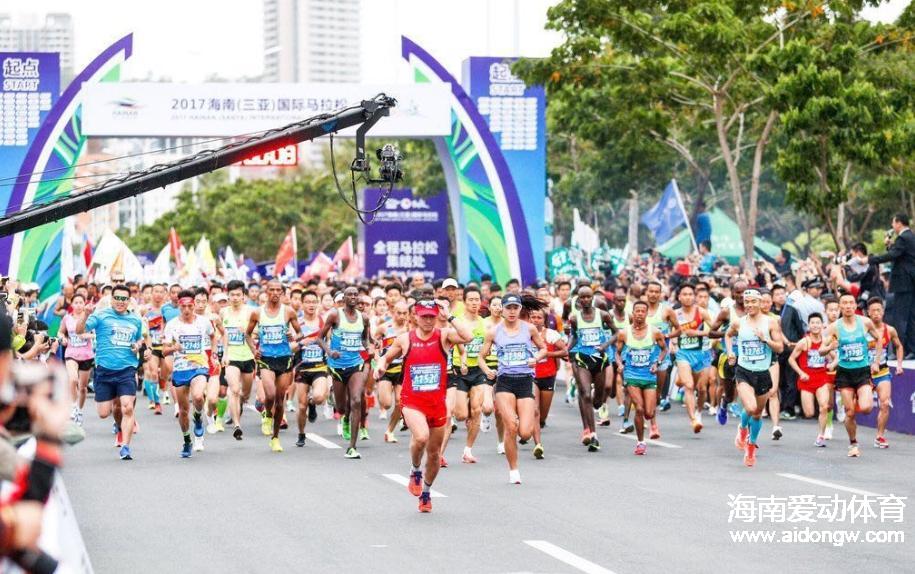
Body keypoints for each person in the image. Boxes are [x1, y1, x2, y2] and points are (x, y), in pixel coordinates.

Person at [374, 299, 471, 512]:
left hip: (437, 402)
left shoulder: (444, 336)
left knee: (435, 454)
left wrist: (450, 316)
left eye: (432, 316)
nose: (428, 320)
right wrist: (380, 367)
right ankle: (415, 469)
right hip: (412, 401)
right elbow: (386, 358)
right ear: (415, 317)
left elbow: (468, 336)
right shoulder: (404, 340)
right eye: (424, 316)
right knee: (421, 437)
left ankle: (426, 493)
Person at [479, 293, 547, 484]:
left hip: (525, 381)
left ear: (519, 309)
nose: (511, 311)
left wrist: (536, 358)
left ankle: (517, 424)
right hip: (505, 382)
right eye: (508, 308)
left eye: (515, 308)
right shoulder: (493, 332)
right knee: (511, 426)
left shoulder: (529, 329)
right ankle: (514, 470)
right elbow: (481, 357)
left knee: (525, 432)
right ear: (502, 309)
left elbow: (543, 349)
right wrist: (487, 371)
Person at [76, 284, 144, 461]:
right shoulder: (100, 315)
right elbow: (79, 330)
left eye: (124, 299)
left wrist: (138, 346)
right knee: (104, 412)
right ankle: (119, 424)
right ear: (112, 299)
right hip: (105, 371)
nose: (121, 302)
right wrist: (85, 314)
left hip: (127, 370)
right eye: (118, 298)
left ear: (129, 301)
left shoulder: (135, 320)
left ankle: (126, 446)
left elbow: (139, 339)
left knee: (127, 406)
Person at [818, 293, 885, 458]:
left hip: (862, 371)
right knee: (849, 413)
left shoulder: (864, 322)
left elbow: (879, 339)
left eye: (851, 303)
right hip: (845, 374)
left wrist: (875, 361)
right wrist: (830, 347)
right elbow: (821, 350)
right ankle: (853, 443)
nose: (848, 306)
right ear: (840, 307)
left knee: (867, 407)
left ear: (855, 306)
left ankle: (856, 399)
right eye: (844, 303)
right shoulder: (834, 327)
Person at [724, 289, 784, 468]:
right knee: (749, 407)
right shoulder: (738, 323)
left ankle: (751, 446)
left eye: (753, 301)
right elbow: (727, 335)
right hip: (744, 371)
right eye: (746, 301)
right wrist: (730, 353)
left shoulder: (771, 323)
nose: (749, 305)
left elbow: (780, 348)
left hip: (763, 373)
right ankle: (742, 429)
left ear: (760, 302)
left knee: (757, 413)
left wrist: (765, 339)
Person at [246, 280, 303, 453]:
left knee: (280, 400)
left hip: (285, 358)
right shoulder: (257, 313)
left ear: (283, 293)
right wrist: (253, 350)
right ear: (267, 291)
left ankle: (275, 437)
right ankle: (267, 415)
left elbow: (300, 334)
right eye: (272, 290)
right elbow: (247, 334)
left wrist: (293, 336)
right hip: (266, 359)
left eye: (279, 290)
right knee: (269, 395)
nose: (275, 293)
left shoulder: (289, 312)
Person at [319, 286, 372, 459]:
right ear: (344, 297)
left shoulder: (363, 318)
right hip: (336, 365)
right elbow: (319, 338)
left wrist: (368, 348)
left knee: (356, 400)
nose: (353, 297)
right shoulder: (335, 315)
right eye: (349, 295)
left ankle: (352, 447)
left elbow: (365, 339)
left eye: (356, 295)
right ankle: (344, 416)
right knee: (342, 407)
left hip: (356, 364)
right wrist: (329, 351)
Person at [163, 290, 216, 458]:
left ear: (194, 305)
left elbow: (213, 336)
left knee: (199, 396)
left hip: (199, 367)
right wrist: (173, 348)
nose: (187, 310)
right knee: (184, 411)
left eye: (190, 306)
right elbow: (164, 350)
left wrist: (213, 354)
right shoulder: (171, 325)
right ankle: (187, 440)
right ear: (179, 306)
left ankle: (199, 417)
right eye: (183, 306)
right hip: (180, 370)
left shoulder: (204, 322)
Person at [564, 286, 615, 451]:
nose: (585, 300)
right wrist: (567, 349)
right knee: (585, 393)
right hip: (582, 358)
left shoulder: (603, 315)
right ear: (578, 300)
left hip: (599, 359)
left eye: (588, 297)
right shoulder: (574, 318)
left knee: (598, 399)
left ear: (592, 298)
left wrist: (605, 345)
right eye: (582, 298)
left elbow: (616, 333)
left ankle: (597, 405)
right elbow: (574, 336)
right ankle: (593, 434)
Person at [615, 300, 668, 455]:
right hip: (631, 374)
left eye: (642, 311)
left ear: (646, 314)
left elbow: (664, 350)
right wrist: (620, 364)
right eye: (637, 311)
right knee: (639, 408)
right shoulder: (624, 333)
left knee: (649, 413)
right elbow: (618, 352)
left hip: (649, 375)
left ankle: (646, 423)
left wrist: (657, 363)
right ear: (633, 313)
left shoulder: (655, 332)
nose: (639, 314)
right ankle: (640, 442)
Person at [450, 286, 488, 463]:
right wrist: (463, 359)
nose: (474, 303)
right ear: (464, 301)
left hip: (477, 371)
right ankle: (460, 409)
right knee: (461, 415)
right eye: (471, 299)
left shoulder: (484, 323)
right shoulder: (458, 322)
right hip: (460, 370)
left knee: (477, 410)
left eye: (477, 299)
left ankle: (468, 450)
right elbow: (460, 347)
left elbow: (486, 348)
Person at [868, 213, 915, 358]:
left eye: (893, 223)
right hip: (910, 283)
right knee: (911, 317)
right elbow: (899, 255)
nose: (893, 226)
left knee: (900, 318)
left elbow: (893, 256)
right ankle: (911, 350)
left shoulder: (903, 237)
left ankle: (900, 350)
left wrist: (871, 259)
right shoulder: (910, 237)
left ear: (899, 223)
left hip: (903, 284)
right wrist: (890, 246)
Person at [787, 312, 834, 447]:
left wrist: (832, 364)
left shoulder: (825, 341)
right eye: (812, 323)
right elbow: (791, 359)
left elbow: (834, 356)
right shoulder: (804, 342)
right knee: (809, 413)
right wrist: (801, 372)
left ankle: (821, 436)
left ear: (822, 325)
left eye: (817, 323)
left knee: (824, 406)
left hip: (822, 379)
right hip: (806, 381)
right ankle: (821, 431)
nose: (815, 325)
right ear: (809, 325)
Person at [292, 290, 331, 447]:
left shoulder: (324, 323)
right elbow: (291, 348)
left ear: (318, 304)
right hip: (302, 368)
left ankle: (312, 402)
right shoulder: (297, 324)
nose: (311, 305)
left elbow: (329, 344)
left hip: (320, 367)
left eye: (314, 302)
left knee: (320, 397)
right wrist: (302, 343)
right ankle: (301, 434)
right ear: (302, 305)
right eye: (307, 302)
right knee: (301, 407)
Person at [673, 283, 712, 434]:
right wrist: (673, 343)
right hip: (683, 353)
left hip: (701, 354)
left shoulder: (701, 312)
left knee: (702, 388)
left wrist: (698, 333)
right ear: (679, 297)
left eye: (690, 294)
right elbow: (670, 331)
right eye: (685, 294)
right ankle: (693, 420)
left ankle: (699, 412)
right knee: (688, 385)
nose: (688, 297)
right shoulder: (675, 314)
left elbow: (715, 330)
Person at [864, 297, 904, 448]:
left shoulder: (890, 330)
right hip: (864, 374)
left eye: (878, 310)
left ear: (883, 312)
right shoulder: (863, 330)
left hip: (882, 372)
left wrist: (899, 365)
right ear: (868, 313)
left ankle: (879, 436)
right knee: (862, 407)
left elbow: (899, 346)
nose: (876, 313)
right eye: (873, 311)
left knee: (885, 404)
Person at [529, 307, 567, 459]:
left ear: (544, 320)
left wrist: (547, 353)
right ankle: (538, 445)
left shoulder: (551, 335)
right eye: (533, 317)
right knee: (535, 411)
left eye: (539, 317)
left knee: (542, 414)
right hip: (531, 376)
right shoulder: (525, 334)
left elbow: (564, 351)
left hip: (548, 376)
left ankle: (538, 424)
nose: (536, 320)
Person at [220, 280, 256, 440]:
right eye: (232, 295)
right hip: (231, 357)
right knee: (234, 390)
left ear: (244, 296)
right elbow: (221, 335)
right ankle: (237, 424)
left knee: (245, 393)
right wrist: (223, 354)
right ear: (228, 296)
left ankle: (241, 402)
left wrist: (249, 332)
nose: (235, 298)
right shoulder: (223, 313)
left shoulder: (251, 312)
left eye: (238, 295)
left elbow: (258, 334)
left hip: (248, 357)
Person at [57, 293, 95, 426]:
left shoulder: (89, 318)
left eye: (81, 302)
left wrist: (87, 336)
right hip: (71, 353)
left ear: (84, 304)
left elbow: (94, 334)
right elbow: (60, 332)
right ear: (72, 304)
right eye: (76, 302)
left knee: (83, 388)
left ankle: (79, 410)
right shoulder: (67, 318)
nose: (78, 305)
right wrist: (63, 338)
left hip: (86, 355)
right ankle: (73, 407)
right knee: (72, 379)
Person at [375, 301, 409, 443]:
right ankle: (379, 391)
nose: (401, 316)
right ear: (392, 313)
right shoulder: (384, 328)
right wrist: (377, 358)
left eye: (404, 313)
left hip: (402, 369)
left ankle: (389, 431)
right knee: (387, 403)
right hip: (387, 369)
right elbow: (374, 343)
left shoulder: (410, 329)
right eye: (398, 313)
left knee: (400, 403)